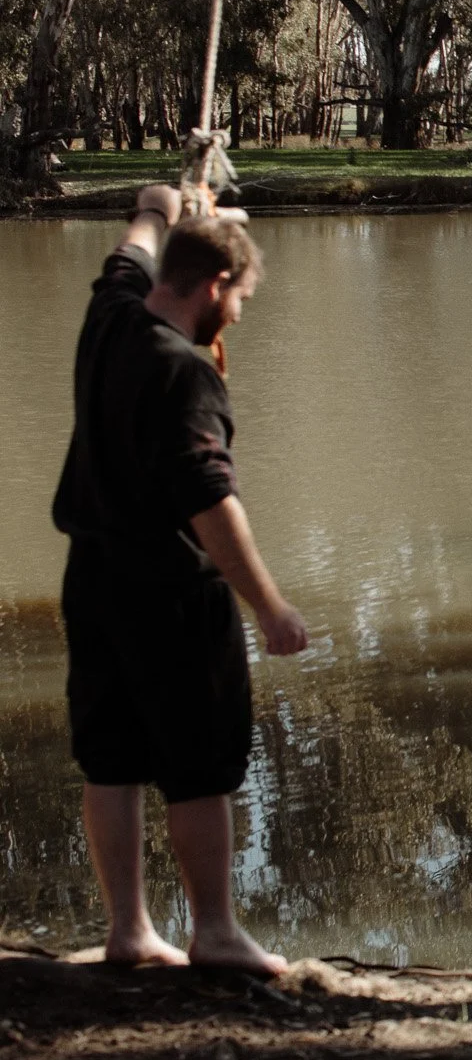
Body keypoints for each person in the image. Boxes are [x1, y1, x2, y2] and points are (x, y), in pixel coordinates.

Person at [52, 185, 309, 976]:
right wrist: (269, 606)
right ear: (212, 287)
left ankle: (128, 929)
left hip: (93, 578)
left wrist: (159, 203)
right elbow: (210, 501)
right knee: (199, 764)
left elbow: (126, 255)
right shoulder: (184, 375)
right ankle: (216, 931)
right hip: (169, 595)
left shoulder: (111, 320)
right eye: (239, 299)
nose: (237, 315)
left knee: (114, 756)